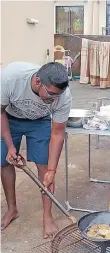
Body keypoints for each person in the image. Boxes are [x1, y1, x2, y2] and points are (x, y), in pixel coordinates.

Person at [1, 61, 71, 238]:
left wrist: (52, 170)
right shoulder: (10, 78)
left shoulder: (63, 95)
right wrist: (10, 146)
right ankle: (12, 209)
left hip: (40, 122)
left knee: (44, 166)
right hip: (10, 118)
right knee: (4, 161)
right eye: (51, 94)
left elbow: (57, 133)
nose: (54, 99)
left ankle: (47, 216)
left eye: (58, 95)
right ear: (38, 82)